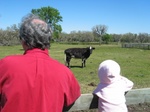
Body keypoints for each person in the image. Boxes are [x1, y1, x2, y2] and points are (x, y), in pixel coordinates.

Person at [0, 13, 80, 112]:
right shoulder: (65, 72)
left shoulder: (5, 65)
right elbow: (72, 97)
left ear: (23, 40)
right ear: (48, 40)